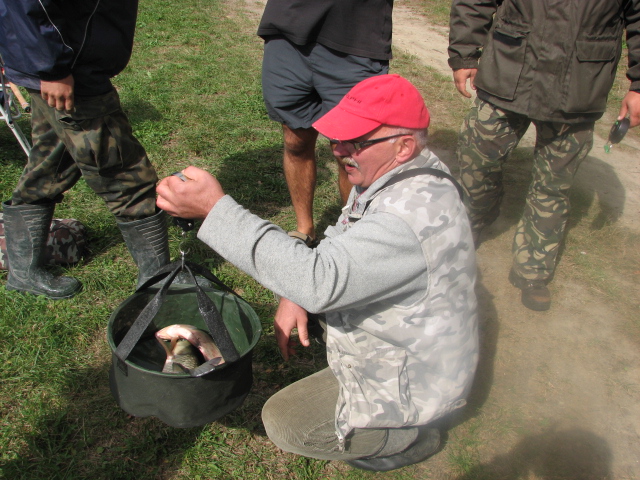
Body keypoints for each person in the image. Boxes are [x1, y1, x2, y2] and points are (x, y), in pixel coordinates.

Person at [157, 74, 479, 472]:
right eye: (336, 139)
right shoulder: (392, 174)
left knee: (287, 424)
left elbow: (320, 280)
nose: (339, 151)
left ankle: (411, 431)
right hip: (399, 338)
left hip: (416, 374)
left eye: (354, 142)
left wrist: (214, 210)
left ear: (404, 145)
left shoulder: (410, 213)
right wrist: (295, 293)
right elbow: (344, 238)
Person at [448, 0, 640, 312]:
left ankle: (532, 267)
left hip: (579, 84)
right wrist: (465, 52)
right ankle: (473, 220)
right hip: (509, 68)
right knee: (476, 160)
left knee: (553, 186)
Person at [0, 0, 177, 299]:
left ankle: (23, 272)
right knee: (124, 172)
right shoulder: (58, 66)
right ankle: (157, 284)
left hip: (63, 61)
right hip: (67, 69)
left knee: (51, 161)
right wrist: (51, 68)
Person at [257, 0, 394, 246]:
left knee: (351, 151)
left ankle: (353, 237)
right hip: (288, 29)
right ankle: (304, 230)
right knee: (295, 139)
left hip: (356, 36)